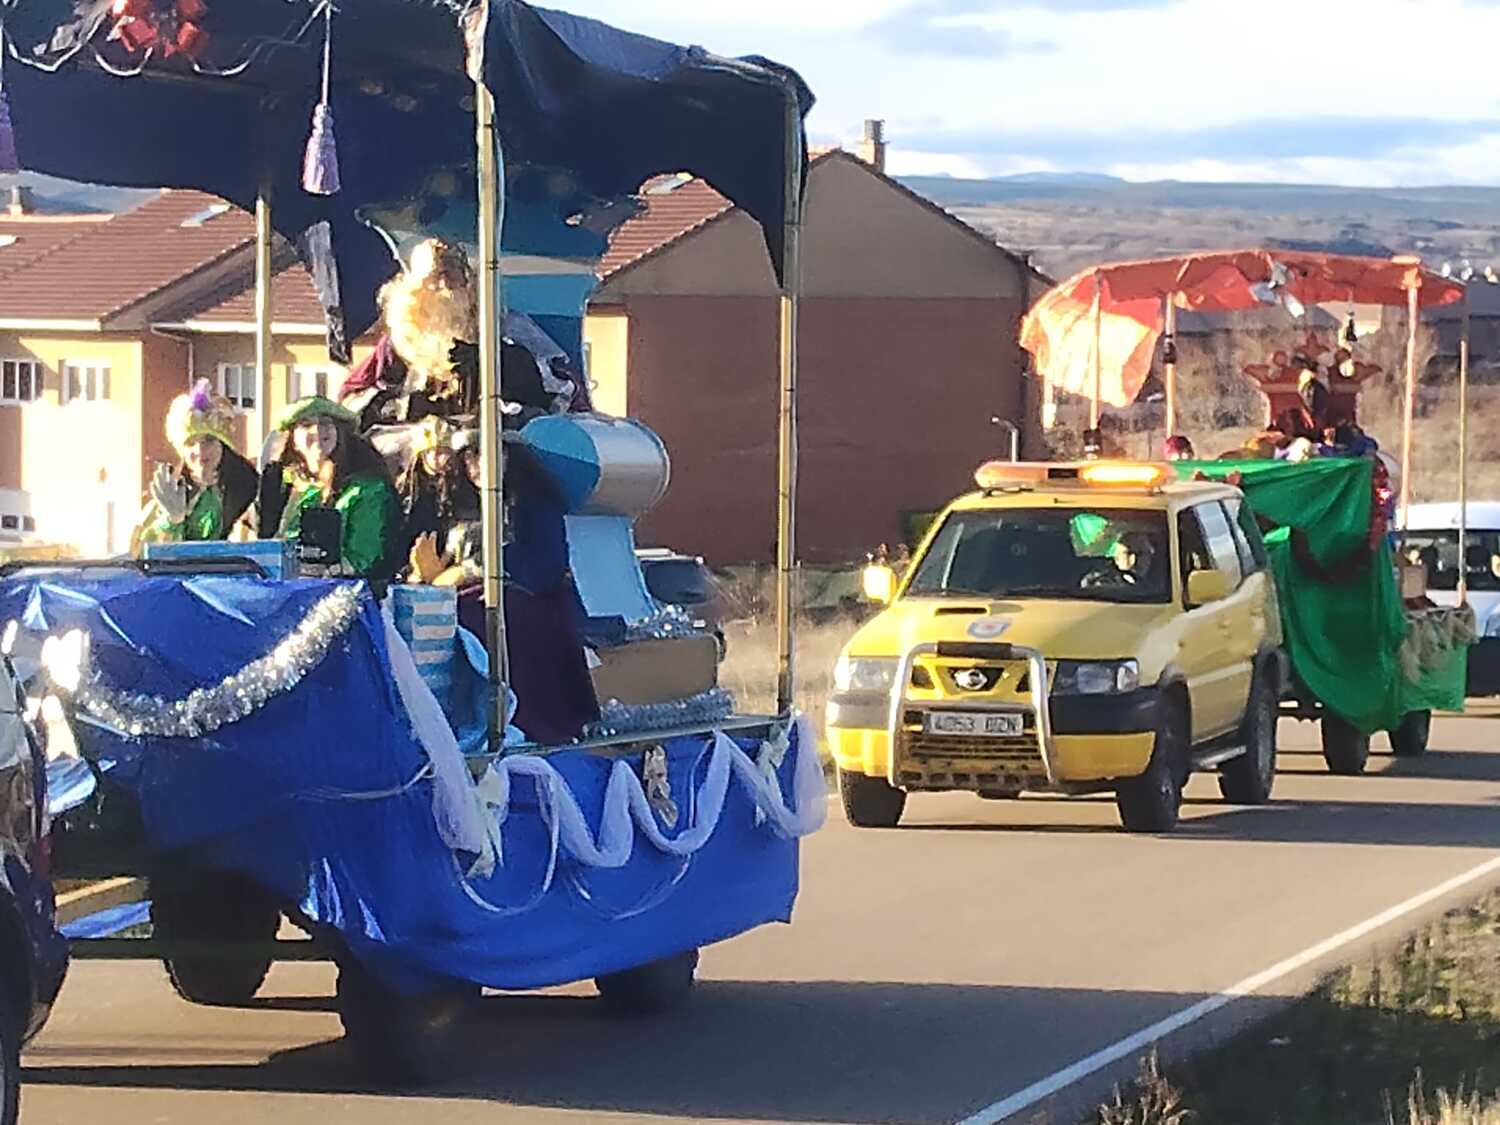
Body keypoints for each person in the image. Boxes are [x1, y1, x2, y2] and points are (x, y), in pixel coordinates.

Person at [339, 239, 577, 429]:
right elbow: (354, 402)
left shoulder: (508, 327)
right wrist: (396, 406)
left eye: (451, 276)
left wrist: (498, 363)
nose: (443, 287)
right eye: (434, 278)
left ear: (468, 281)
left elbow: (557, 389)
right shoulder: (401, 341)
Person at [273, 397, 403, 581]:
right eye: (306, 424)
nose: (317, 430)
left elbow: (363, 559)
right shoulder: (286, 487)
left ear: (340, 433)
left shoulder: (369, 489)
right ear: (293, 439)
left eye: (326, 423)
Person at [134, 379, 258, 548]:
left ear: (223, 445)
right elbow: (142, 556)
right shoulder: (168, 495)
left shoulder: (251, 490)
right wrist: (171, 521)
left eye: (208, 440)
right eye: (191, 443)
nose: (199, 451)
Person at [1083, 530, 1159, 591]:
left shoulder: (1156, 585)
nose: (1116, 558)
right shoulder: (1102, 580)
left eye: (1119, 554)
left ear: (1132, 558)